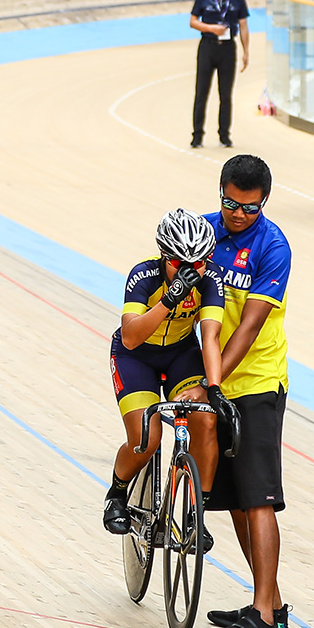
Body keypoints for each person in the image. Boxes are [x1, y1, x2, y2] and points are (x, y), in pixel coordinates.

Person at [200, 155, 294, 628]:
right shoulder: (205, 231)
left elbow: (250, 325)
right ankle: (271, 607)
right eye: (230, 205)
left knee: (259, 497)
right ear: (220, 192)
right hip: (215, 382)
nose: (238, 215)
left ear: (264, 203)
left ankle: (262, 619)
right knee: (237, 498)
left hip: (256, 382)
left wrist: (211, 381)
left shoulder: (273, 246)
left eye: (250, 208)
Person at [100, 210, 227, 549]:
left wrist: (213, 387)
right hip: (136, 357)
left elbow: (211, 337)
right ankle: (117, 493)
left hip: (180, 354)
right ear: (163, 256)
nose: (189, 271)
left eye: (198, 263)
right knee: (147, 436)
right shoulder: (144, 275)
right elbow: (130, 337)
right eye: (179, 263)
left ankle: (193, 516)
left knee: (205, 421)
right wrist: (168, 299)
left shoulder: (212, 279)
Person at [189, 0, 249, 149]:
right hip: (208, 45)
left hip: (228, 48)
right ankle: (197, 135)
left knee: (226, 94)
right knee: (201, 92)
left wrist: (246, 51)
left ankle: (224, 135)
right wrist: (210, 28)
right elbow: (192, 21)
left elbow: (244, 25)